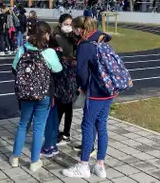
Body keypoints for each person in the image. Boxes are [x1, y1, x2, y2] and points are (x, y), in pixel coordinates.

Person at [62, 16, 114, 179]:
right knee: (102, 126)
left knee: (87, 124)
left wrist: (83, 88)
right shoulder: (101, 38)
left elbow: (81, 72)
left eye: (75, 28)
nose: (74, 32)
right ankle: (100, 165)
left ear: (81, 29)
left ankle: (83, 165)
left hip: (95, 92)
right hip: (109, 89)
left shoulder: (85, 45)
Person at [10, 21, 62, 172]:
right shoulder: (49, 52)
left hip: (25, 94)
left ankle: (15, 157)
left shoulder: (22, 50)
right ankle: (34, 161)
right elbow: (58, 70)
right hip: (44, 94)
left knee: (23, 124)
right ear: (46, 35)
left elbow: (14, 68)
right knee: (39, 127)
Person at [52, 13, 77, 145]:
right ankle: (55, 131)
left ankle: (66, 133)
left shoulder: (74, 38)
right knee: (59, 104)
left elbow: (77, 55)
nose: (68, 27)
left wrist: (73, 59)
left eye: (70, 24)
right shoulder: (55, 37)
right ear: (61, 24)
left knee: (68, 105)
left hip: (71, 76)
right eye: (65, 24)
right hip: (59, 75)